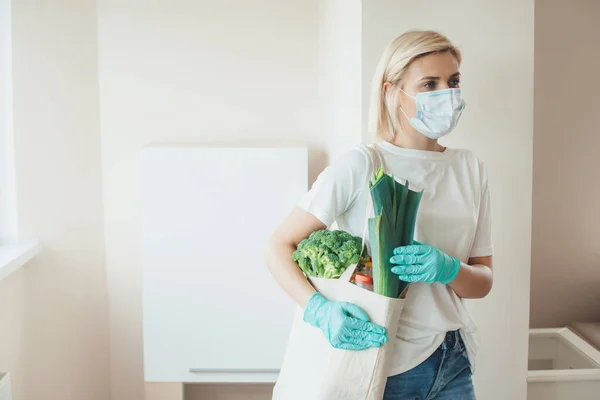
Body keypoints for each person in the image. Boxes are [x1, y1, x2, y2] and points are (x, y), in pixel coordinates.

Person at [265, 30, 493, 400]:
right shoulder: (364, 164)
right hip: (383, 362)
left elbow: (483, 281)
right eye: (429, 84)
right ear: (392, 92)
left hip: (452, 360)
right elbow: (278, 246)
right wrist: (320, 310)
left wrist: (449, 268)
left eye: (453, 82)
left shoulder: (470, 168)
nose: (446, 95)